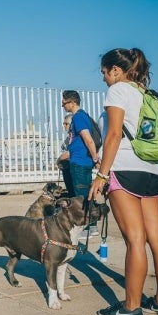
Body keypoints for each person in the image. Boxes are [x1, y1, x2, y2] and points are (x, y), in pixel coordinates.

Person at [90, 48, 158, 315]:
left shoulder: (118, 91)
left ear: (116, 70)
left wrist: (101, 176)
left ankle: (131, 308)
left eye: (104, 72)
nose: (104, 78)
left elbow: (114, 134)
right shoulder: (144, 93)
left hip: (124, 169)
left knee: (135, 240)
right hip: (152, 170)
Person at [61, 90, 100, 234]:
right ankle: (90, 226)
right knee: (83, 194)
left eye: (64, 103)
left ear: (72, 102)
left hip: (80, 163)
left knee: (81, 197)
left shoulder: (78, 117)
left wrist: (95, 159)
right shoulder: (80, 117)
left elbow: (88, 139)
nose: (63, 106)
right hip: (80, 161)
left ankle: (88, 227)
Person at [55, 113, 75, 195]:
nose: (64, 125)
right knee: (70, 191)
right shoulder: (68, 138)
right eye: (64, 123)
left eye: (66, 123)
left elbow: (68, 154)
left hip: (72, 168)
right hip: (66, 168)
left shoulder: (74, 137)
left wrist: (59, 160)